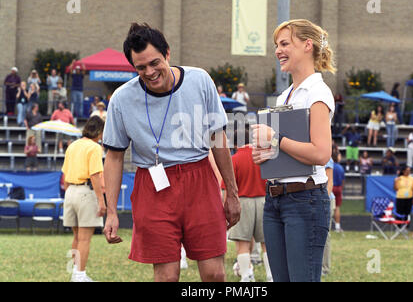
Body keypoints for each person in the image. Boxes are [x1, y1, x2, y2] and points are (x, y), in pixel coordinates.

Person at [102, 23, 240, 283]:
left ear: (167, 53)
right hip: (153, 186)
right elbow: (115, 155)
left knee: (215, 273)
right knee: (166, 276)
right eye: (141, 68)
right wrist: (111, 211)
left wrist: (232, 193)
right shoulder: (121, 99)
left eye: (155, 63)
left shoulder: (199, 80)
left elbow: (217, 139)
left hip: (199, 178)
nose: (150, 72)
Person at [252, 19, 335, 282]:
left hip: (305, 200)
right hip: (276, 199)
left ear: (307, 45)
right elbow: (289, 150)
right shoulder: (285, 95)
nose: (278, 50)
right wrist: (266, 155)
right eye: (277, 45)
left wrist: (275, 139)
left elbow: (321, 154)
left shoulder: (318, 92)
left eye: (285, 43)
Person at [221, 124, 272, 282]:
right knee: (267, 243)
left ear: (235, 144)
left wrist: (225, 210)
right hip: (264, 201)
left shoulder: (233, 159)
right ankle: (272, 276)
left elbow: (225, 189)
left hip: (242, 202)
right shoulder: (261, 156)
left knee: (242, 243)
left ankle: (246, 275)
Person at [62, 116, 106, 282]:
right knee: (85, 238)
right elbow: (95, 175)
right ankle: (80, 275)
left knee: (76, 237)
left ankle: (76, 272)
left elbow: (65, 174)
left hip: (70, 191)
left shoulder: (72, 146)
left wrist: (69, 193)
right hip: (85, 192)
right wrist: (101, 201)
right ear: (99, 131)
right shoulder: (94, 147)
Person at [322, 157, 335, 276]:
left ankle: (325, 268)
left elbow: (330, 182)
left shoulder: (327, 158)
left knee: (324, 235)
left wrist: (323, 200)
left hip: (325, 200)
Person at [332, 152, 345, 232]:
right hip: (338, 188)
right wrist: (341, 189)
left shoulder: (330, 166)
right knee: (337, 207)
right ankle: (337, 226)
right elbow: (343, 180)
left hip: (331, 187)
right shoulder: (340, 168)